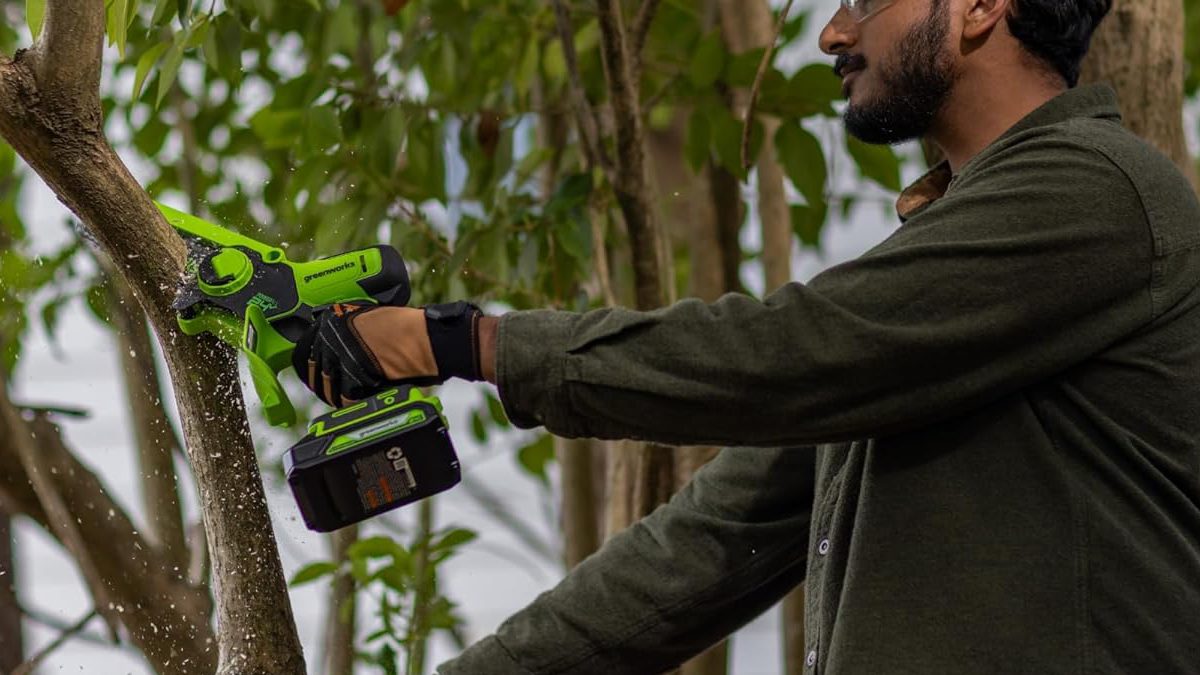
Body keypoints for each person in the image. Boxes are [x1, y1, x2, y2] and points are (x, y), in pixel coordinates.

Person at [293, 0, 1200, 672]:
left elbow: (791, 350)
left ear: (976, 8)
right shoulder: (937, 299)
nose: (834, 33)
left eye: (862, 1)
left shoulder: (1100, 190)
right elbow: (708, 541)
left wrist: (457, 342)